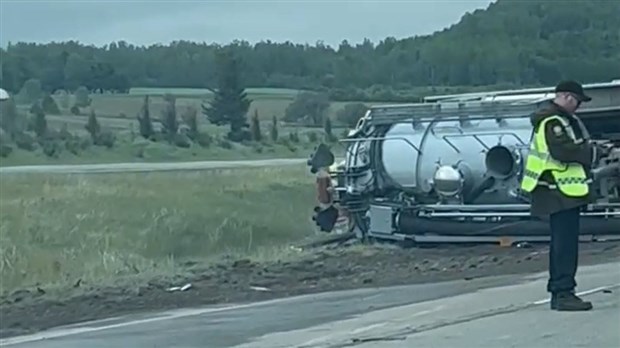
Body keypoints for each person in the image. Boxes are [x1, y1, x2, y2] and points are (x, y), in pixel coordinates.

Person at [520, 80, 597, 311]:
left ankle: (562, 290)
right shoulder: (553, 122)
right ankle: (563, 292)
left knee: (563, 242)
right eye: (576, 101)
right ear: (565, 97)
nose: (577, 106)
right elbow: (563, 151)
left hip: (561, 193)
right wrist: (594, 151)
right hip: (558, 192)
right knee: (564, 244)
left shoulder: (557, 119)